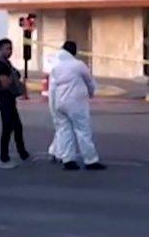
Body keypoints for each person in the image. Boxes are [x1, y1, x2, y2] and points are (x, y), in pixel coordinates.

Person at [50, 41, 106, 170]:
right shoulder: (78, 65)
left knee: (64, 131)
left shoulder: (56, 66)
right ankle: (90, 160)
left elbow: (52, 88)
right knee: (83, 131)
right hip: (76, 103)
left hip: (60, 103)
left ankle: (68, 160)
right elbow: (89, 81)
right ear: (73, 52)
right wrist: (91, 93)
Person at [0, 38, 30, 169]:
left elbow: (15, 75)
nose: (10, 51)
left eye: (11, 48)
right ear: (0, 49)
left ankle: (23, 153)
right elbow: (5, 83)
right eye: (7, 48)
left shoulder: (7, 63)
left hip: (10, 99)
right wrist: (13, 78)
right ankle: (4, 158)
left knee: (17, 127)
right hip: (4, 98)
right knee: (7, 129)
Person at [42, 50, 61, 163]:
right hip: (60, 103)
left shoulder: (55, 71)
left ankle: (55, 150)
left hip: (57, 102)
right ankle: (59, 153)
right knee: (64, 128)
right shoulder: (59, 70)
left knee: (62, 128)